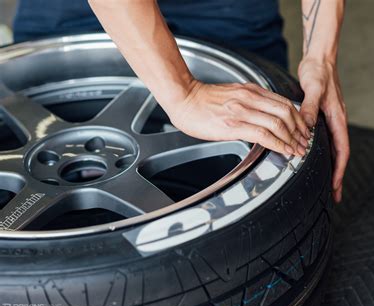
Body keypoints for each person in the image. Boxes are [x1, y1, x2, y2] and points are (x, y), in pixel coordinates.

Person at [13, 0, 349, 202]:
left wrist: (322, 56)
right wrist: (183, 93)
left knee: (270, 149)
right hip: (80, 9)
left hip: (231, 10)